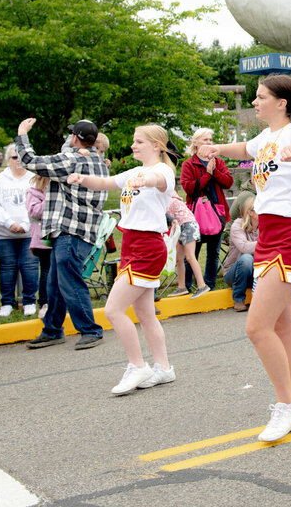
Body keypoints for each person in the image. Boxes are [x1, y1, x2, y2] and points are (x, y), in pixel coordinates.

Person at [198, 73, 291, 443]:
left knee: (257, 328)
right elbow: (245, 149)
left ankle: (288, 406)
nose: (255, 101)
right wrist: (217, 148)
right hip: (269, 233)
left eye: (261, 96)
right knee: (283, 328)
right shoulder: (265, 138)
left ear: (282, 103)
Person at [67, 124, 177, 393]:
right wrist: (82, 178)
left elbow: (160, 181)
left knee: (113, 310)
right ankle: (163, 368)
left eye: (139, 141)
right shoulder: (134, 172)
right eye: (133, 140)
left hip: (147, 245)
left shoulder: (161, 170)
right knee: (146, 313)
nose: (133, 145)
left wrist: (146, 181)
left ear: (156, 146)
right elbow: (105, 182)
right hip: (131, 243)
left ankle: (137, 366)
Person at [16, 118, 107, 350]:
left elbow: (29, 161)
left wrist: (22, 134)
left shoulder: (70, 160)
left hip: (69, 230)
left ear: (75, 137)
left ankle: (90, 329)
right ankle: (53, 329)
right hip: (83, 230)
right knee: (55, 283)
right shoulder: (97, 161)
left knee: (69, 282)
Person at [0, 144, 38, 317]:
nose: (19, 161)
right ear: (8, 160)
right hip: (4, 234)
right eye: (15, 157)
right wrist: (9, 223)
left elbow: (38, 202)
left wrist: (24, 224)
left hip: (29, 232)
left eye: (22, 157)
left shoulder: (34, 178)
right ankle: (6, 303)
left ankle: (29, 300)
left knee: (29, 265)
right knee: (7, 267)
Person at [179, 128, 233, 291]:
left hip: (217, 213)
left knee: (213, 253)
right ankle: (188, 286)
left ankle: (210, 284)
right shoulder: (188, 164)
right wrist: (207, 175)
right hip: (196, 215)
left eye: (210, 140)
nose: (209, 143)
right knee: (192, 253)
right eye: (205, 140)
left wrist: (214, 171)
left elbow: (228, 182)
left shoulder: (218, 161)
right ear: (195, 143)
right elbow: (189, 188)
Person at [166, 191, 210, 299]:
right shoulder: (175, 200)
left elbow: (168, 220)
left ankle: (202, 285)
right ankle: (182, 287)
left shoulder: (169, 202)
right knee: (179, 259)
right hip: (184, 226)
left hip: (188, 226)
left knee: (190, 257)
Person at [223, 196, 258, 311]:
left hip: (255, 271)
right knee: (246, 259)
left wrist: (253, 244)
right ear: (250, 212)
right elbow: (244, 248)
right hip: (233, 273)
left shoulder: (263, 226)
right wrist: (262, 243)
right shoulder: (237, 225)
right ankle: (238, 300)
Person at [25, 175, 52, 318]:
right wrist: (51, 197)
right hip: (42, 240)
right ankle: (44, 303)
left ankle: (57, 302)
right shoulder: (33, 193)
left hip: (58, 237)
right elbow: (35, 212)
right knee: (46, 271)